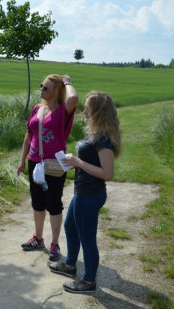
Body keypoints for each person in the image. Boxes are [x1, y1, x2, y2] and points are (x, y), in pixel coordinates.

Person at [48, 91, 122, 293]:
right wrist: (75, 163)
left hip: (90, 195)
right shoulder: (96, 134)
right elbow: (92, 163)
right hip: (82, 192)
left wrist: (79, 162)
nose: (84, 112)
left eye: (87, 108)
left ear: (97, 111)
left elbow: (107, 173)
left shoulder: (103, 140)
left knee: (87, 239)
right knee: (70, 227)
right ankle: (70, 265)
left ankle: (89, 281)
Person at [17, 74, 78, 261]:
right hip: (35, 162)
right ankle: (38, 238)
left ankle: (55, 244)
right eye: (41, 86)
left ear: (56, 92)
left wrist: (67, 82)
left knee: (54, 204)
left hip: (54, 164)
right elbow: (29, 135)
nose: (41, 90)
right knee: (37, 202)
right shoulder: (37, 109)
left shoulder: (62, 111)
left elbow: (73, 98)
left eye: (45, 88)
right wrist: (22, 160)